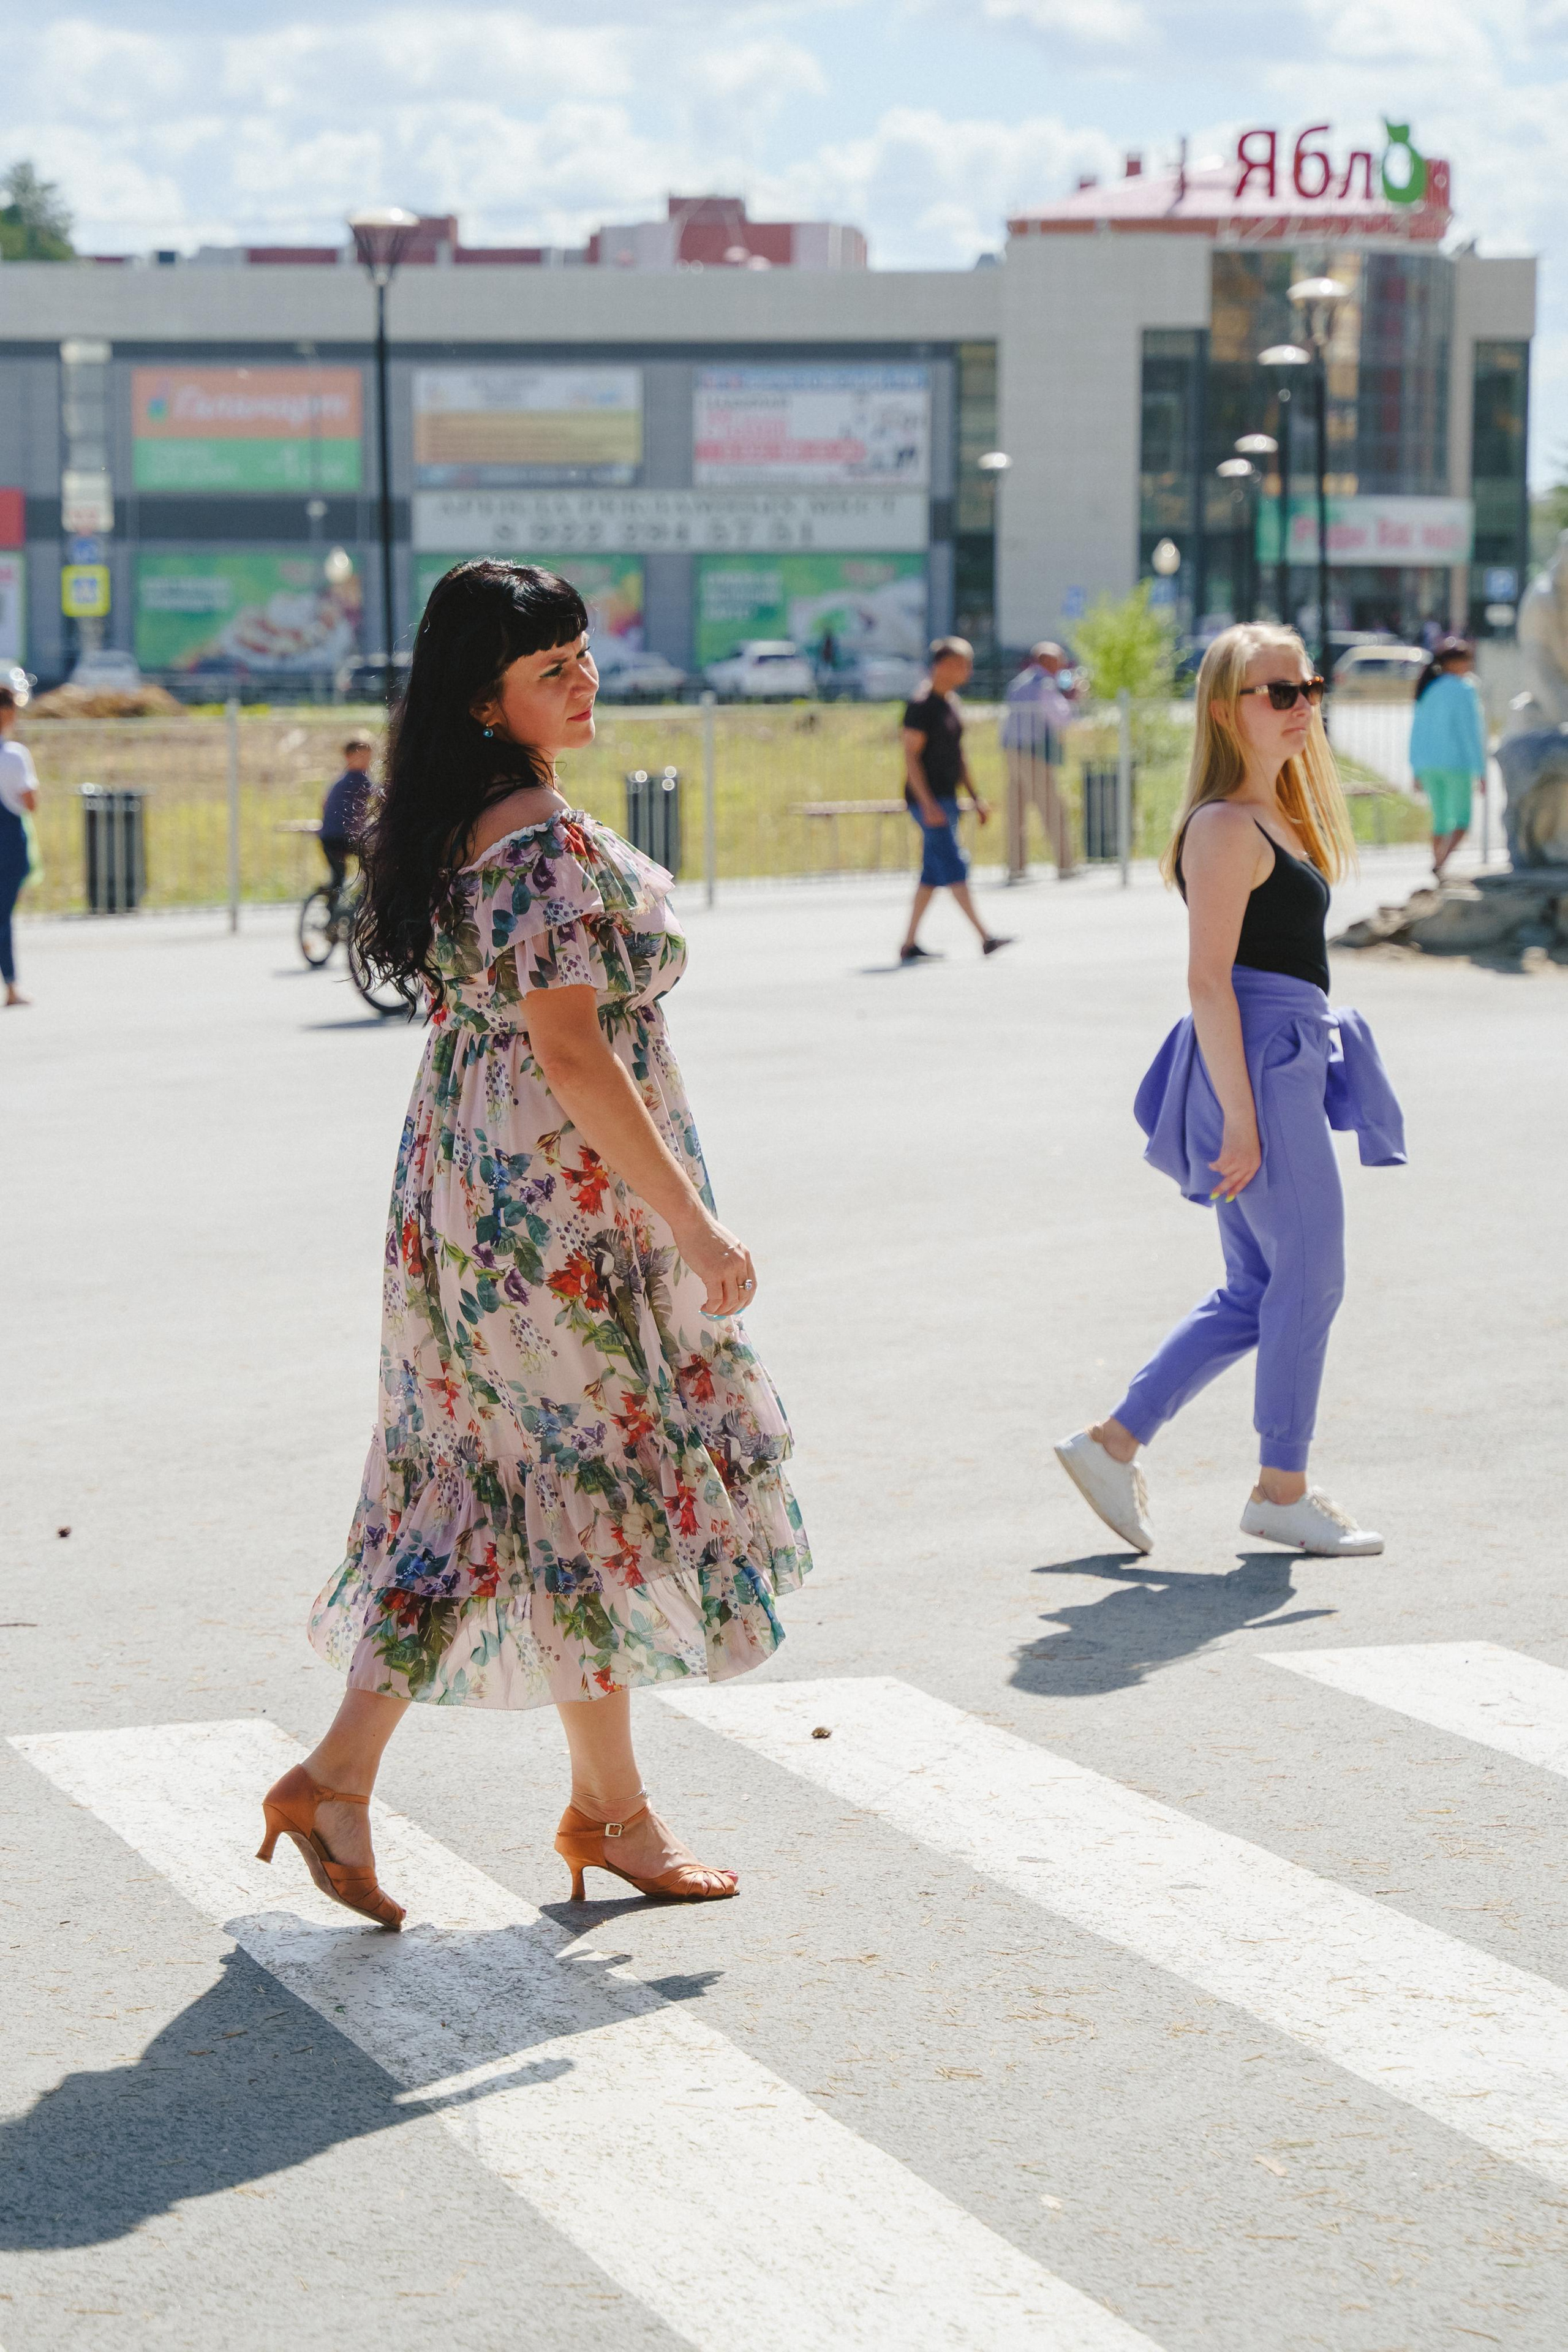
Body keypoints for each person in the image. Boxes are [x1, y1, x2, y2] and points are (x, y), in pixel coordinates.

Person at [263, 561, 811, 1926]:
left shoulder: (467, 820)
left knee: (514, 1477)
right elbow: (570, 1051)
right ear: (484, 700)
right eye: (549, 668)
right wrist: (692, 1219)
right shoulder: (532, 841)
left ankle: (565, 1805)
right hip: (546, 1208)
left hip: (471, 1184)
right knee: (570, 1473)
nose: (583, 682)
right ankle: (414, 1784)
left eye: (580, 655)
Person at [1054, 624, 1406, 1560]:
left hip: (1282, 1056)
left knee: (1258, 1289)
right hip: (1255, 1064)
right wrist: (1243, 1117)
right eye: (1276, 691)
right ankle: (1280, 1489)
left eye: (1308, 687)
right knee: (1311, 1272)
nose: (1302, 705)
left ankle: (1111, 1444)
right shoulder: (1221, 825)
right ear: (1225, 709)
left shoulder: (1275, 816)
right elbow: (1209, 979)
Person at [899, 635, 1011, 963]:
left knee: (932, 875)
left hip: (948, 798)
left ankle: (909, 944)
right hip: (928, 802)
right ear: (944, 665)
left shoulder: (951, 703)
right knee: (954, 865)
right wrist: (928, 803)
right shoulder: (920, 706)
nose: (969, 671)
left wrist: (975, 797)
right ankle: (986, 937)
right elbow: (911, 758)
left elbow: (958, 755)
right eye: (964, 664)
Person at [1408, 635, 1487, 881]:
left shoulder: (1429, 689)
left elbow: (1417, 731)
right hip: (1457, 764)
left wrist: (1416, 768)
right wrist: (1481, 770)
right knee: (1462, 821)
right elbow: (1471, 733)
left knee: (1440, 819)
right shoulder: (1464, 689)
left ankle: (1438, 866)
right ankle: (1440, 864)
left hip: (1429, 765)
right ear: (1455, 663)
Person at [1000, 641, 1079, 878]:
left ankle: (1016, 867)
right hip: (1033, 752)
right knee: (1052, 808)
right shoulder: (1044, 684)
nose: (1064, 665)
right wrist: (1074, 699)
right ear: (1048, 661)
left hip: (1012, 751)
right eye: (1061, 659)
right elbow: (1061, 718)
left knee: (1016, 810)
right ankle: (1066, 864)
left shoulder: (1020, 681)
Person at [0, 685, 39, 1009]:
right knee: (2, 918)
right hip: (7, 843)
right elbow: (30, 802)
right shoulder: (14, 755)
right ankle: (11, 985)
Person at [318, 731, 375, 897]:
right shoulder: (361, 779)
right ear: (348, 757)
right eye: (362, 756)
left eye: (368, 756)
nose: (366, 761)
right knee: (374, 867)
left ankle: (331, 915)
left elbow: (324, 804)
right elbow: (381, 798)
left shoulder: (339, 781)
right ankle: (360, 905)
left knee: (338, 878)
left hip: (327, 837)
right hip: (346, 837)